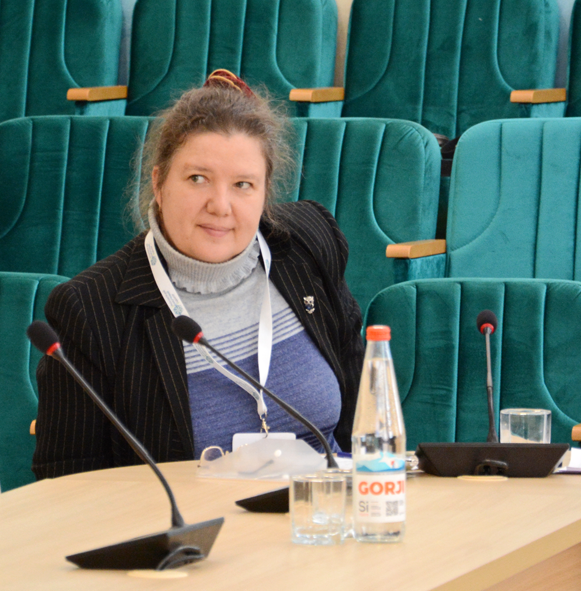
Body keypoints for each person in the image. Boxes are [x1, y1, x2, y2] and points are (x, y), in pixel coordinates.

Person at [33, 71, 365, 479]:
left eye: (243, 184)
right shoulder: (90, 310)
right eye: (198, 179)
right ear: (159, 184)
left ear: (265, 192)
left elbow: (360, 405)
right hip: (186, 519)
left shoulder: (309, 243)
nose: (220, 205)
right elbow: (66, 480)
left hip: (327, 509)